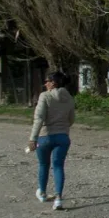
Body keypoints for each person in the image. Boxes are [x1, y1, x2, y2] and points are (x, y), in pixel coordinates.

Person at [28, 71, 76, 210]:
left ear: (53, 83)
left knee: (44, 164)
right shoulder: (69, 98)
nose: (45, 83)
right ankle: (58, 198)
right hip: (63, 137)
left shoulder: (45, 96)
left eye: (47, 81)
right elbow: (71, 119)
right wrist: (62, 127)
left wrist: (33, 138)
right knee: (58, 166)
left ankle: (42, 193)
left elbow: (39, 118)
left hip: (45, 136)